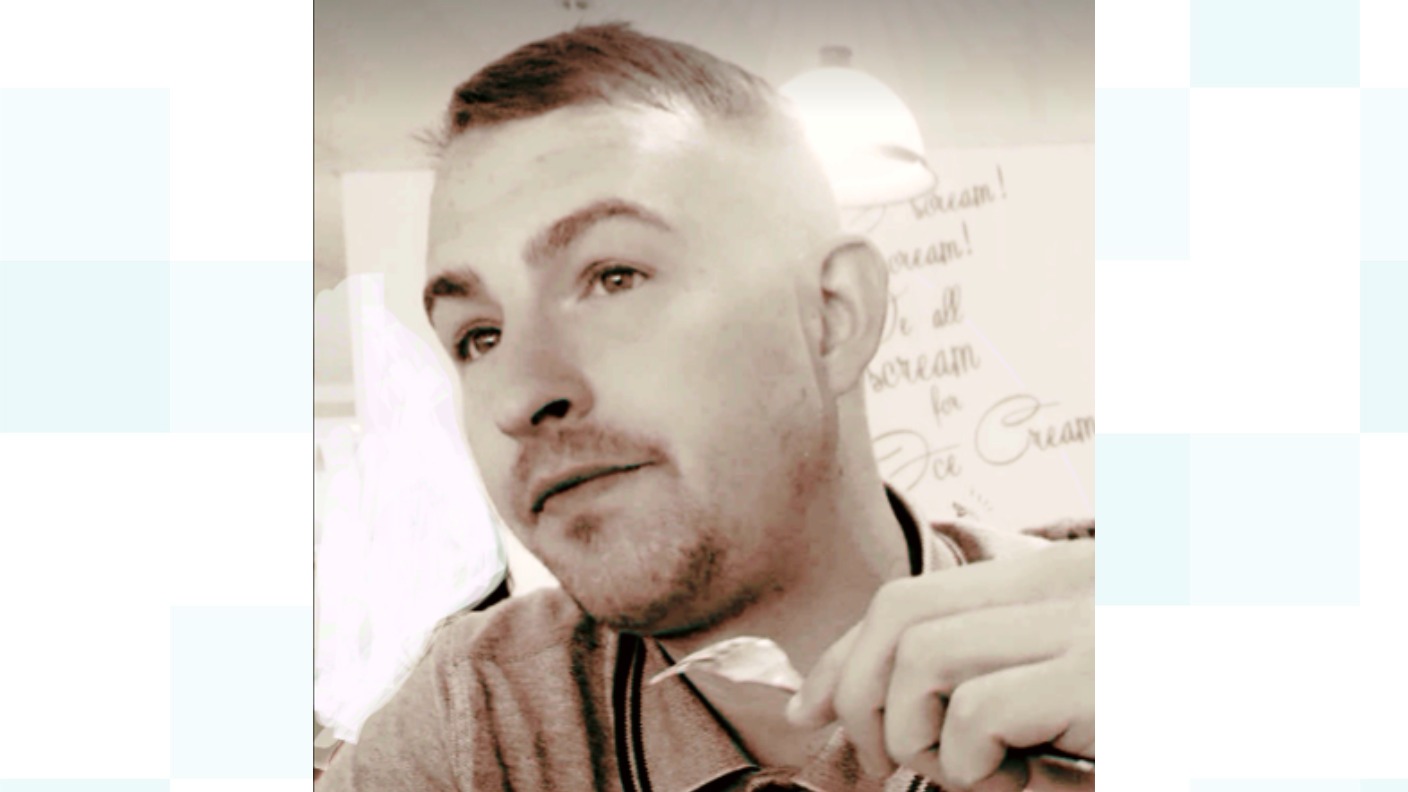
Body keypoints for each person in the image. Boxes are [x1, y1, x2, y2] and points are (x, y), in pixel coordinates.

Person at [319, 22, 1094, 792]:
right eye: (478, 337)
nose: (519, 396)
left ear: (832, 315)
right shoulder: (476, 723)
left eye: (614, 278)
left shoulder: (1116, 665)